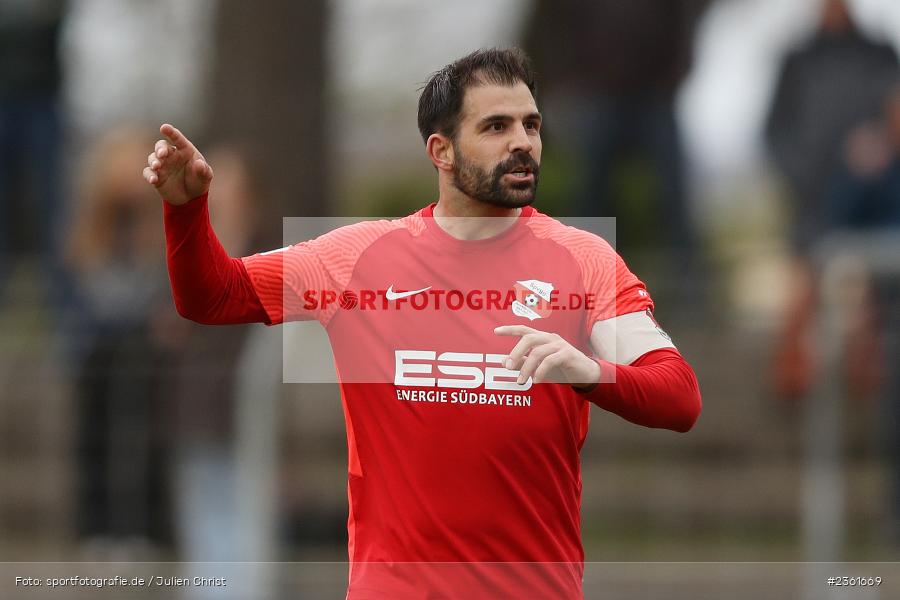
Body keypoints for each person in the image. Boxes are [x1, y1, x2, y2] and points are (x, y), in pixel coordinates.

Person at [142, 48, 701, 598]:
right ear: (442, 151)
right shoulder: (357, 259)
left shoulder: (584, 259)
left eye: (531, 125)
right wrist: (186, 210)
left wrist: (593, 374)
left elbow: (679, 397)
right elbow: (213, 296)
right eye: (496, 126)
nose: (523, 143)